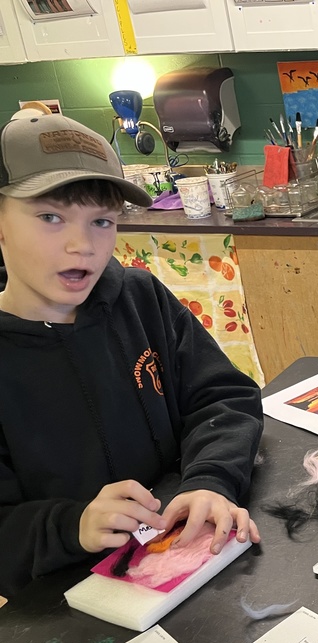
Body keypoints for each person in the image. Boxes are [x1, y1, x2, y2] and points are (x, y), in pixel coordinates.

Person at [0, 113, 264, 596]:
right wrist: (72, 525)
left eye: (102, 221)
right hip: (66, 602)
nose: (82, 245)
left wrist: (208, 480)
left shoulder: (140, 298)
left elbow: (222, 396)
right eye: (50, 217)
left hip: (182, 567)